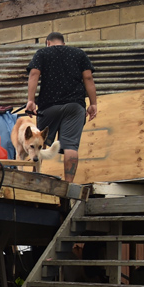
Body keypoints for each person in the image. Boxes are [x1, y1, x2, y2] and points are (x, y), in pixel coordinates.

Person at [24, 32, 98, 182]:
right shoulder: (79, 54)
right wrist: (93, 103)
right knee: (70, 145)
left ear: (48, 43)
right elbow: (88, 78)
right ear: (63, 43)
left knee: (38, 143)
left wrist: (31, 100)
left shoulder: (42, 53)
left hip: (49, 105)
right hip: (74, 106)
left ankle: (35, 180)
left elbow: (34, 74)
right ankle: (68, 184)